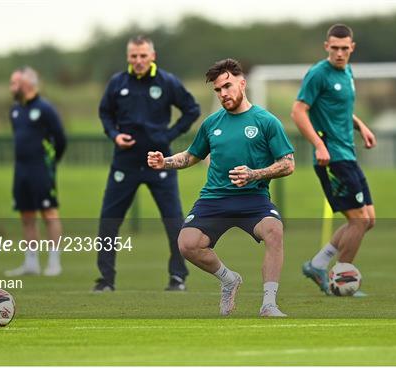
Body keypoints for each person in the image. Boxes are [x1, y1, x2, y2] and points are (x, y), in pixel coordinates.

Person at [148, 59, 295, 317]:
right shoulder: (212, 123)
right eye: (218, 90)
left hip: (254, 198)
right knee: (187, 244)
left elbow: (287, 164)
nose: (223, 93)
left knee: (274, 230)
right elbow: (191, 156)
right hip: (214, 199)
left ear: (242, 83)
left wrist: (255, 174)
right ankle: (229, 279)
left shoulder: (266, 121)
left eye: (227, 86)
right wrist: (165, 162)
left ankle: (269, 304)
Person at [94, 35, 201, 292]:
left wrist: (168, 135)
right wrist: (114, 134)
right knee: (109, 220)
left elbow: (192, 109)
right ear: (128, 57)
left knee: (173, 220)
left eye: (143, 55)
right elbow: (105, 113)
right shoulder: (117, 83)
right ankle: (106, 280)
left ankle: (178, 277)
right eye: (134, 56)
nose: (139, 60)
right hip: (125, 163)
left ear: (152, 56)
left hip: (159, 163)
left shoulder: (167, 82)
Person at [291, 24, 376, 295]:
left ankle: (317, 264)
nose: (340, 53)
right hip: (332, 158)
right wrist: (318, 145)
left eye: (344, 48)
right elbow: (298, 111)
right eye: (335, 48)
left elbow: (339, 110)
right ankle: (341, 278)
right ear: (326, 46)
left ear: (352, 48)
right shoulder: (318, 74)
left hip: (347, 154)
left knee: (368, 219)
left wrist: (361, 126)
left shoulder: (348, 71)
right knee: (359, 221)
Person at [5, 66, 67, 277]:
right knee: (27, 215)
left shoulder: (45, 108)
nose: (11, 87)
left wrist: (50, 162)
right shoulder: (15, 110)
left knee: (49, 214)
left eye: (14, 83)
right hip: (21, 170)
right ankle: (31, 263)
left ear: (28, 84)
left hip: (41, 169)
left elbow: (60, 139)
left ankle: (54, 262)